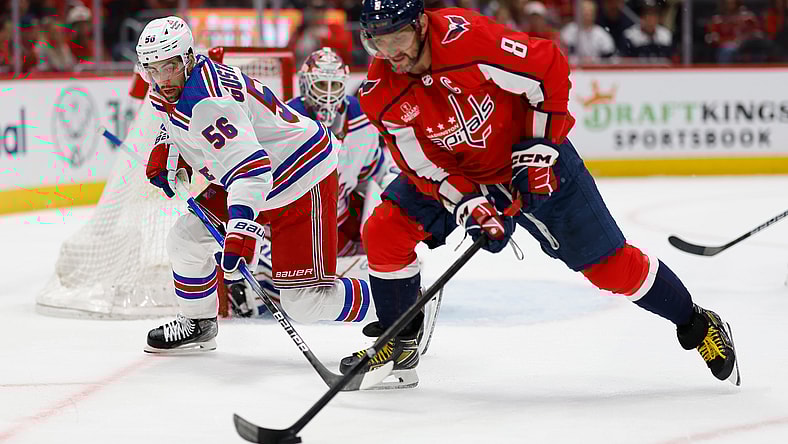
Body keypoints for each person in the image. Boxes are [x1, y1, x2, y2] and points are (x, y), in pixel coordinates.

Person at [340, 0, 741, 388]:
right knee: (386, 228)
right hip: (466, 173)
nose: (390, 53)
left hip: (536, 158)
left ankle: (696, 322)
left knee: (611, 268)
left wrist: (536, 151)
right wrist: (470, 205)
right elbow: (423, 167)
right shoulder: (380, 93)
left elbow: (547, 68)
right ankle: (399, 340)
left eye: (397, 38)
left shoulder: (469, 41)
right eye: (378, 41)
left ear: (421, 24)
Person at [135, 16, 374, 353]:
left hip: (300, 178)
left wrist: (241, 233)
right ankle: (199, 324)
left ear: (188, 57)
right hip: (251, 177)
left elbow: (253, 170)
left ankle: (399, 304)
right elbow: (187, 127)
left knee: (305, 303)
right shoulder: (178, 84)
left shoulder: (208, 102)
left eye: (169, 67)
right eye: (153, 69)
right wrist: (169, 147)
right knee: (186, 240)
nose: (161, 79)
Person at [228, 47, 401, 317]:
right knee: (284, 292)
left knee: (388, 246)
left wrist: (407, 201)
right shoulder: (286, 121)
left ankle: (398, 297)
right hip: (294, 227)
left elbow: (377, 169)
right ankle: (392, 298)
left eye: (335, 85)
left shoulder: (362, 121)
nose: (329, 94)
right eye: (322, 84)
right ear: (307, 85)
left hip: (338, 228)